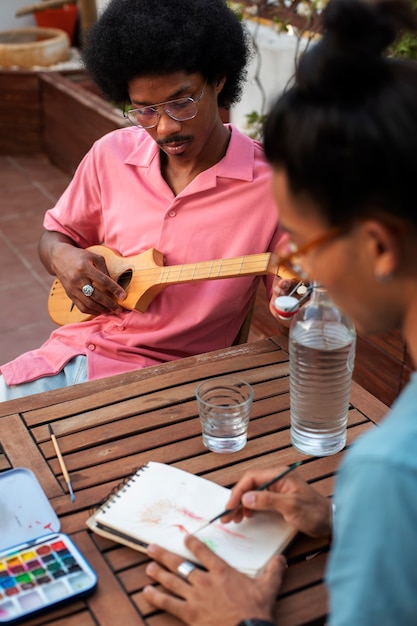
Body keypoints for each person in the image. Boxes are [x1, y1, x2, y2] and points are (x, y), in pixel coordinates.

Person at [142, 0, 417, 625]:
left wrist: (240, 619)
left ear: (377, 246)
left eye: (302, 239)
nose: (295, 262)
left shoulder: (391, 470)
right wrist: (342, 519)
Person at [0, 0, 289, 402]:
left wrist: (302, 295)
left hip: (153, 391)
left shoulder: (275, 188)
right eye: (144, 110)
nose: (166, 127)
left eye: (181, 102)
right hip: (61, 358)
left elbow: (297, 297)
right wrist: (62, 258)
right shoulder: (111, 152)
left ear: (219, 79)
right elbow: (55, 236)